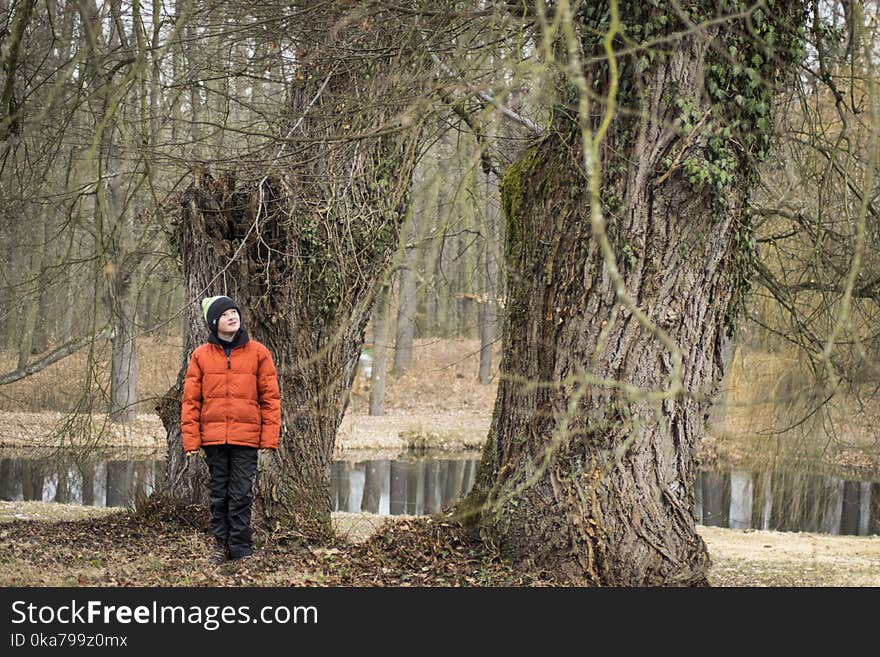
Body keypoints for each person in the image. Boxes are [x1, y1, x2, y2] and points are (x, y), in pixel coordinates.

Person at [180, 295, 281, 564]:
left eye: (235, 311)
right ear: (214, 322)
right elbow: (191, 402)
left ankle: (241, 549)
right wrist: (191, 442)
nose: (232, 316)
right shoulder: (200, 356)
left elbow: (271, 400)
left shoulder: (259, 353)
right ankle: (220, 546)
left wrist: (269, 439)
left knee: (241, 495)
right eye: (225, 314)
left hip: (246, 439)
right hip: (213, 439)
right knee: (219, 495)